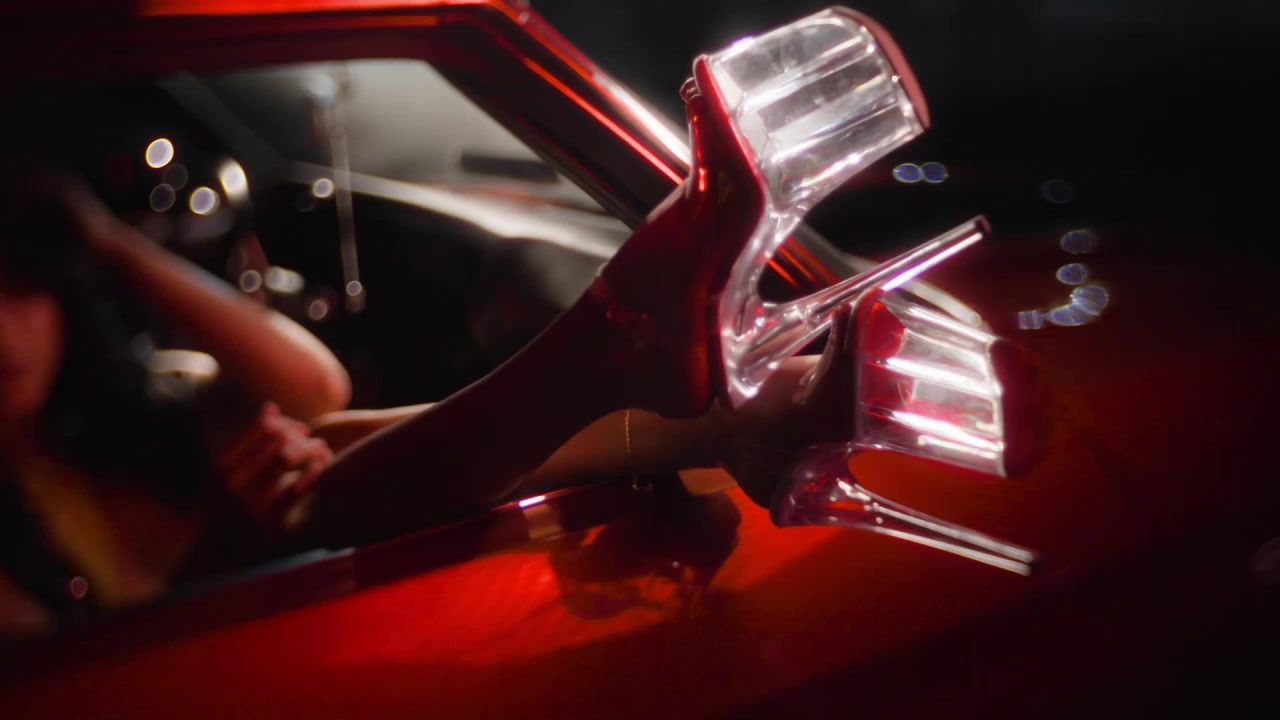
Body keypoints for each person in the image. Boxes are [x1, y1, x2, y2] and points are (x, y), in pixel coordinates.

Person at [1, 167, 855, 634]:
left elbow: (312, 386)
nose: (4, 332)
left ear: (65, 296)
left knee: (328, 441)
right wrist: (230, 546)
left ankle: (717, 409)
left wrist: (107, 240)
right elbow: (93, 675)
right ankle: (688, 392)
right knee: (314, 498)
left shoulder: (118, 421)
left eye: (22, 289)